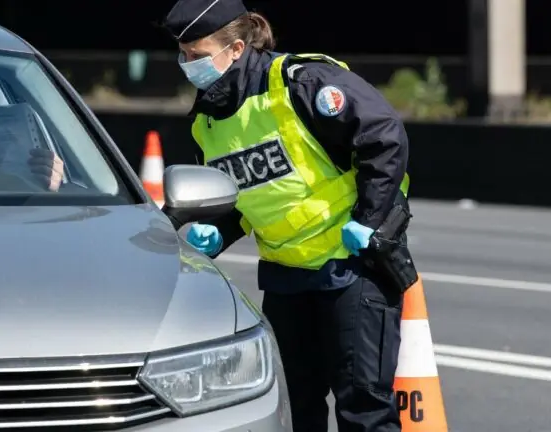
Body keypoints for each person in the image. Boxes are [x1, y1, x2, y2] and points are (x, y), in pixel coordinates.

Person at [163, 1, 417, 431]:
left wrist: (370, 220)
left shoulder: (302, 83)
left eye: (198, 56)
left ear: (237, 48)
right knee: (294, 405)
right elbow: (243, 196)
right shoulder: (207, 121)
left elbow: (384, 137)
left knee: (364, 409)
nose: (189, 66)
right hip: (286, 277)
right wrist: (218, 230)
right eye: (184, 56)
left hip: (350, 268)